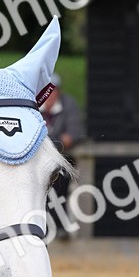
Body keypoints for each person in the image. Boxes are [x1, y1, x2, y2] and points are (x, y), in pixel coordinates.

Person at [40, 71, 83, 205]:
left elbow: (71, 137)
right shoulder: (33, 105)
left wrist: (45, 141)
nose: (49, 94)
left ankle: (58, 222)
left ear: (58, 92)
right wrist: (58, 139)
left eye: (53, 90)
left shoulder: (69, 105)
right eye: (46, 90)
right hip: (38, 162)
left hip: (62, 161)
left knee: (60, 188)